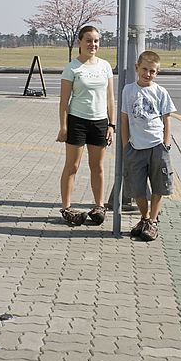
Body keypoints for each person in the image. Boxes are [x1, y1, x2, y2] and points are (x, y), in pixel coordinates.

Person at [56, 25, 116, 226]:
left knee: (97, 166)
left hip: (99, 122)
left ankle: (99, 206)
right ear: (80, 42)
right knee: (72, 166)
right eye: (89, 40)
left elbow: (110, 99)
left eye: (96, 41)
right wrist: (64, 127)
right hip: (77, 121)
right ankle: (66, 207)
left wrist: (111, 125)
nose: (93, 44)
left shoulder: (105, 66)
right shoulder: (72, 68)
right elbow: (64, 101)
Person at [120, 50, 177, 241]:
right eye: (144, 69)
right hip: (136, 147)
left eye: (152, 71)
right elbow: (124, 118)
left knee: (159, 186)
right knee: (137, 188)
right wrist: (125, 144)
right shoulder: (128, 90)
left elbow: (167, 118)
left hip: (157, 146)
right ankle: (144, 217)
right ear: (137, 68)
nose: (148, 74)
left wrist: (166, 143)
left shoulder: (161, 92)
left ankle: (152, 220)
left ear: (157, 73)